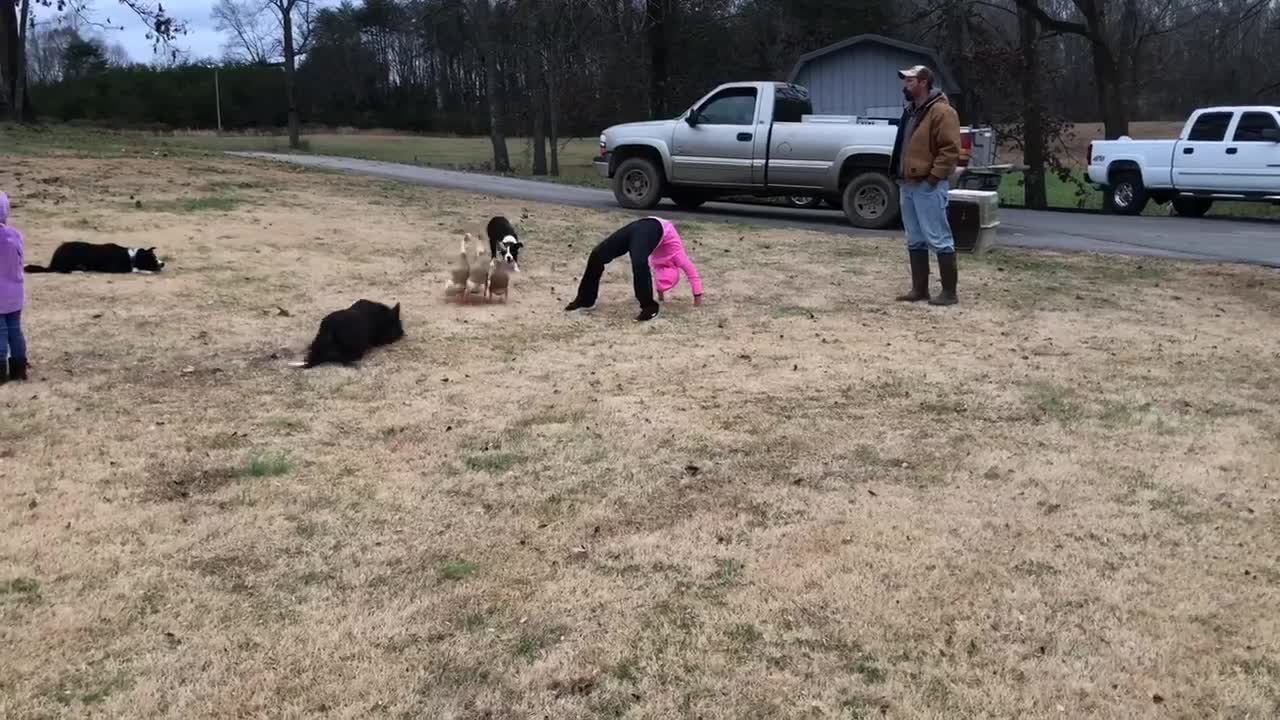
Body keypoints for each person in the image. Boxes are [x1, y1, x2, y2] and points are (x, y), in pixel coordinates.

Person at [888, 64, 962, 306]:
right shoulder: (912, 111)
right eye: (905, 81)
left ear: (923, 83)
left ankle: (949, 293)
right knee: (914, 237)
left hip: (927, 184)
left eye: (910, 81)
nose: (905, 85)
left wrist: (933, 177)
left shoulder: (942, 111)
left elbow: (950, 149)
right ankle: (920, 290)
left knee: (939, 237)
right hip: (907, 183)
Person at [564, 216, 703, 321]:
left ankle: (649, 307)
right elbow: (692, 275)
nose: (658, 274)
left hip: (642, 227)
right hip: (651, 226)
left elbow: (658, 283)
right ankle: (585, 300)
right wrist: (698, 299)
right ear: (674, 269)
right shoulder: (678, 256)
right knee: (598, 254)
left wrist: (661, 295)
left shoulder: (659, 264)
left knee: (639, 262)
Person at [0, 191, 29, 383]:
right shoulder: (15, 235)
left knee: (0, 333)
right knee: (15, 331)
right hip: (15, 294)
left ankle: (1, 371)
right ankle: (19, 369)